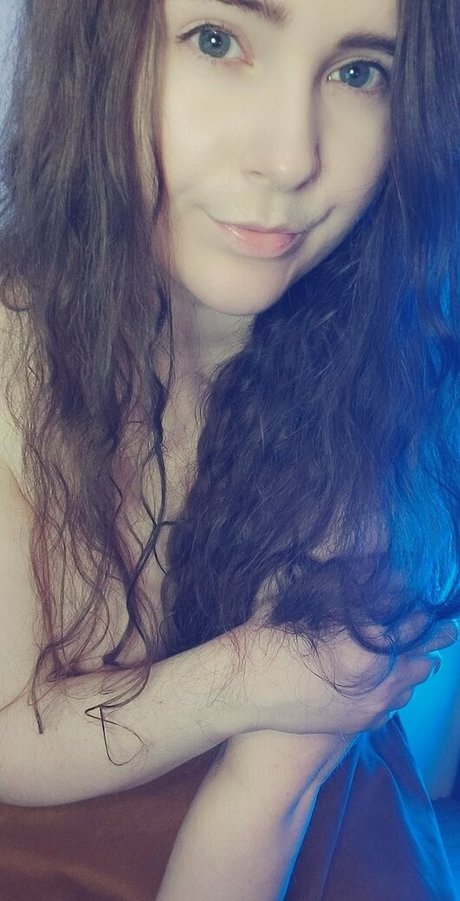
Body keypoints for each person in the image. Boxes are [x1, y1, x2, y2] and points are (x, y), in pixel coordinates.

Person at [0, 0, 458, 898]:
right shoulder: (16, 350)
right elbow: (11, 736)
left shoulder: (376, 386)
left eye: (359, 71)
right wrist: (250, 674)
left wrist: (288, 687)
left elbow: (266, 793)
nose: (290, 159)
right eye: (217, 41)